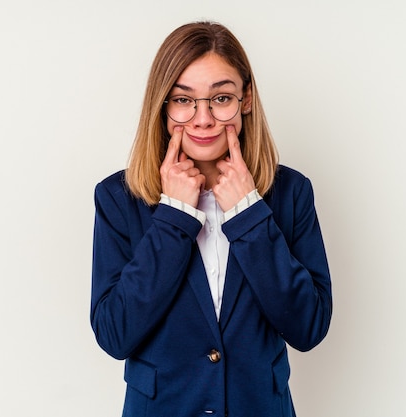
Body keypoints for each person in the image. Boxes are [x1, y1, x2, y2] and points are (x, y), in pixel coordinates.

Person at [90, 21, 332, 417]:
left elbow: (308, 327)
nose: (203, 119)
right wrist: (173, 219)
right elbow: (115, 334)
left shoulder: (291, 192)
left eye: (221, 98)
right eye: (184, 100)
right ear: (162, 105)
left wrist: (249, 214)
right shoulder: (118, 198)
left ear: (246, 99)